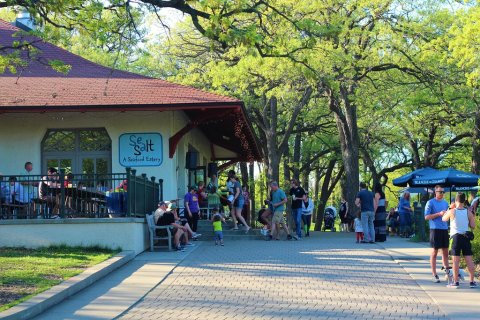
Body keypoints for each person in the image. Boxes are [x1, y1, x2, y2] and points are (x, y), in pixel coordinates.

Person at [442, 192, 477, 288]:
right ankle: (472, 281)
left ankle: (456, 282)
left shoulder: (452, 211)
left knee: (455, 261)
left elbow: (443, 219)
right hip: (466, 237)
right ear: (464, 201)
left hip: (455, 237)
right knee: (469, 260)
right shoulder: (468, 212)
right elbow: (473, 226)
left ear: (456, 200)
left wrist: (449, 208)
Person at [424, 185, 450, 283]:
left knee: (445, 252)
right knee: (434, 252)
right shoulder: (430, 202)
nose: (442, 194)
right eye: (440, 192)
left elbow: (449, 215)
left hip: (444, 229)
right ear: (435, 192)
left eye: (443, 192)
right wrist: (438, 214)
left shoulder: (445, 203)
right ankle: (434, 274)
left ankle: (448, 273)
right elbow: (426, 217)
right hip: (435, 229)